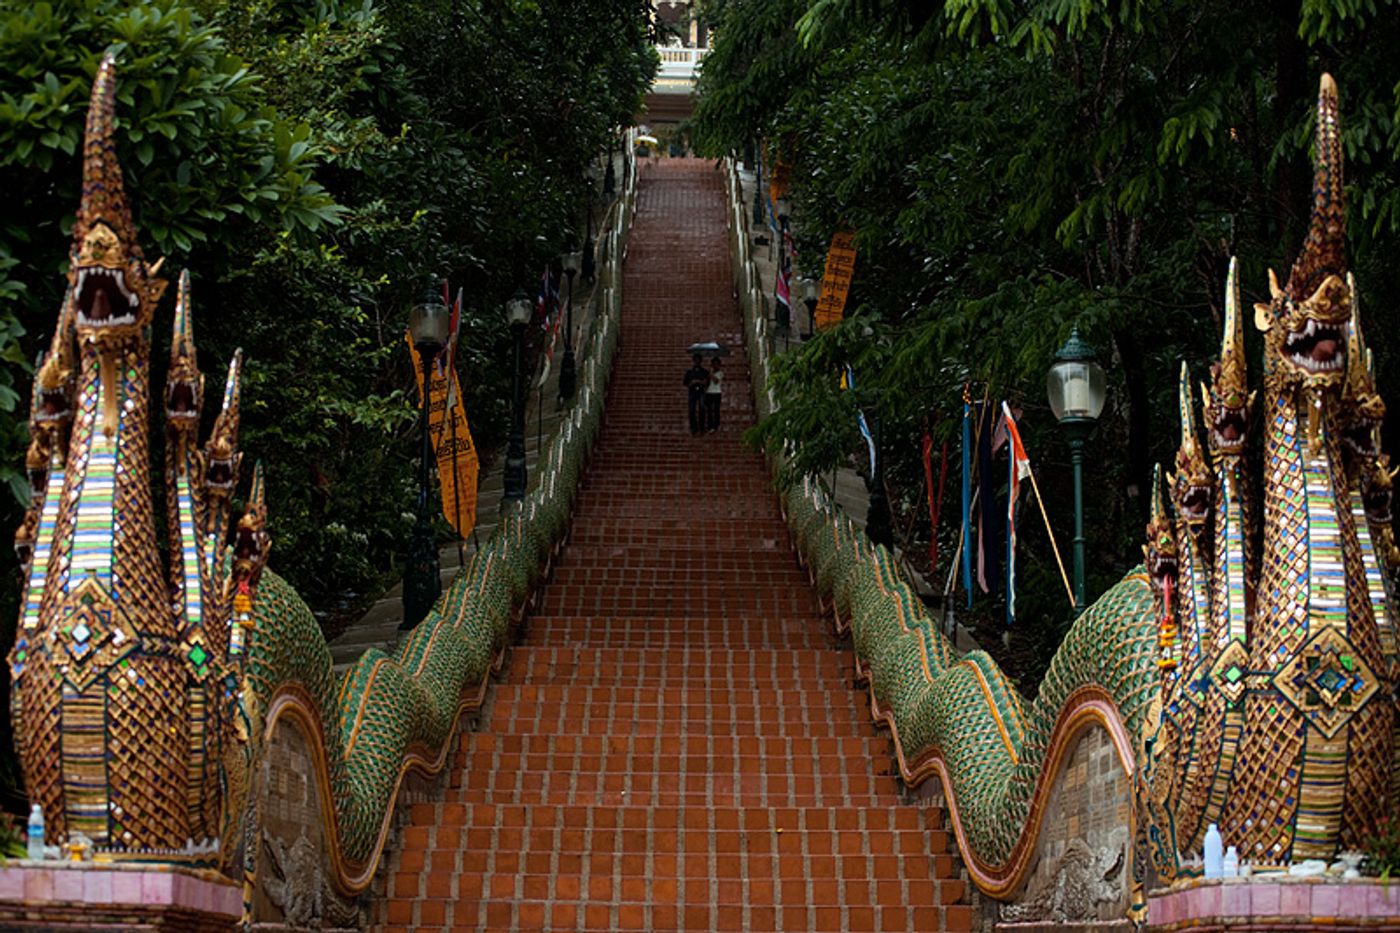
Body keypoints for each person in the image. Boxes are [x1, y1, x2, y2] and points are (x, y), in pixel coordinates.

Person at [683, 353, 709, 435]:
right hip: (692, 392)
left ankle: (702, 427)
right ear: (693, 361)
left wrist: (699, 382)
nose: (697, 362)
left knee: (702, 408)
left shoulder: (704, 371)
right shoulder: (689, 372)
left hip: (701, 391)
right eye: (695, 360)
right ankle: (693, 428)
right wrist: (691, 383)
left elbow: (707, 383)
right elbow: (685, 383)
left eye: (698, 360)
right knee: (691, 409)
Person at [705, 357, 723, 432]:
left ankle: (716, 425)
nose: (715, 366)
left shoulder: (720, 373)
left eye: (716, 364)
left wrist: (711, 374)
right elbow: (707, 383)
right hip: (709, 392)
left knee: (716, 409)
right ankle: (710, 425)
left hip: (717, 393)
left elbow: (716, 381)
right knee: (709, 409)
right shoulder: (709, 373)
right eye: (713, 364)